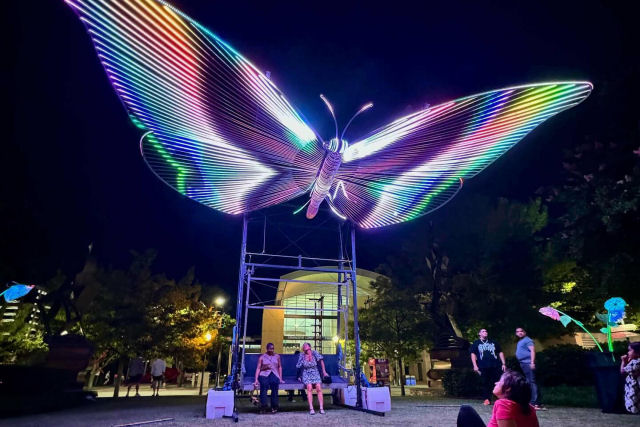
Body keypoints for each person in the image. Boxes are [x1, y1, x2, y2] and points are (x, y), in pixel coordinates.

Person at [457, 370, 539, 427]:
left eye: (500, 381)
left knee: (465, 410)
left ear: (508, 388)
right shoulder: (530, 408)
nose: (496, 383)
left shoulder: (504, 405)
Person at [470, 328, 506, 405]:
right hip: (483, 366)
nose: (485, 332)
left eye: (486, 331)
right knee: (485, 383)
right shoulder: (476, 343)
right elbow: (473, 354)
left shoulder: (493, 342)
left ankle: (498, 399)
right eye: (483, 331)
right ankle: (487, 399)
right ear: (479, 334)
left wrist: (503, 363)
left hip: (495, 365)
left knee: (497, 382)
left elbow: (500, 352)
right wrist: (475, 365)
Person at [296, 342, 328, 415]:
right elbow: (298, 366)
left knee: (318, 387)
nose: (305, 348)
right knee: (309, 387)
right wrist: (298, 376)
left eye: (306, 346)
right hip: (306, 373)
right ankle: (311, 408)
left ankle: (321, 408)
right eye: (304, 347)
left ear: (310, 347)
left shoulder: (314, 353)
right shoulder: (302, 355)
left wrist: (324, 372)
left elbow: (321, 361)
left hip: (315, 372)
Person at [515, 327, 543, 410]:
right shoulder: (520, 341)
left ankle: (535, 403)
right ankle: (534, 402)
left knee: (532, 382)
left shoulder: (528, 340)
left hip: (528, 363)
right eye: (517, 332)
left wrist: (532, 362)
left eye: (521, 331)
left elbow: (532, 351)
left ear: (525, 332)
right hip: (523, 363)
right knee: (529, 382)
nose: (519, 333)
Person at [253, 342, 284, 414]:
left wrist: (280, 378)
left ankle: (274, 406)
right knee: (264, 385)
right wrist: (256, 380)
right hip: (264, 374)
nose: (272, 350)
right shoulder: (262, 357)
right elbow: (258, 368)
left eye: (273, 349)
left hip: (274, 374)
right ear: (267, 349)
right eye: (270, 349)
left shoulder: (277, 356)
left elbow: (280, 367)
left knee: (275, 384)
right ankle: (263, 407)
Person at [620, 342, 640, 414]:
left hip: (635, 388)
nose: (628, 352)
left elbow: (623, 371)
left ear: (637, 352)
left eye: (630, 350)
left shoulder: (636, 362)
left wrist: (623, 361)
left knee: (634, 404)